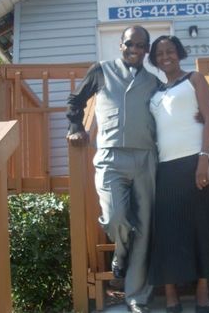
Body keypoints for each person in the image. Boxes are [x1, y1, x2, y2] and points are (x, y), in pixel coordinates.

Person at [66, 26, 158, 313]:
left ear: (146, 49)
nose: (135, 49)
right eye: (130, 43)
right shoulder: (102, 70)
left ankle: (136, 296)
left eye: (141, 45)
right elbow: (75, 100)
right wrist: (75, 127)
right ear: (120, 45)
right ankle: (120, 253)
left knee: (144, 226)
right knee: (115, 215)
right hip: (109, 157)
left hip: (145, 157)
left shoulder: (154, 82)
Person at [148, 35, 209, 313]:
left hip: (198, 159)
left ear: (179, 53)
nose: (166, 56)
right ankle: (171, 291)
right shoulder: (155, 90)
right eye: (160, 53)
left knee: (202, 224)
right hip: (166, 167)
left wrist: (203, 160)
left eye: (171, 51)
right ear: (154, 59)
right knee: (169, 229)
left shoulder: (195, 79)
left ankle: (202, 287)